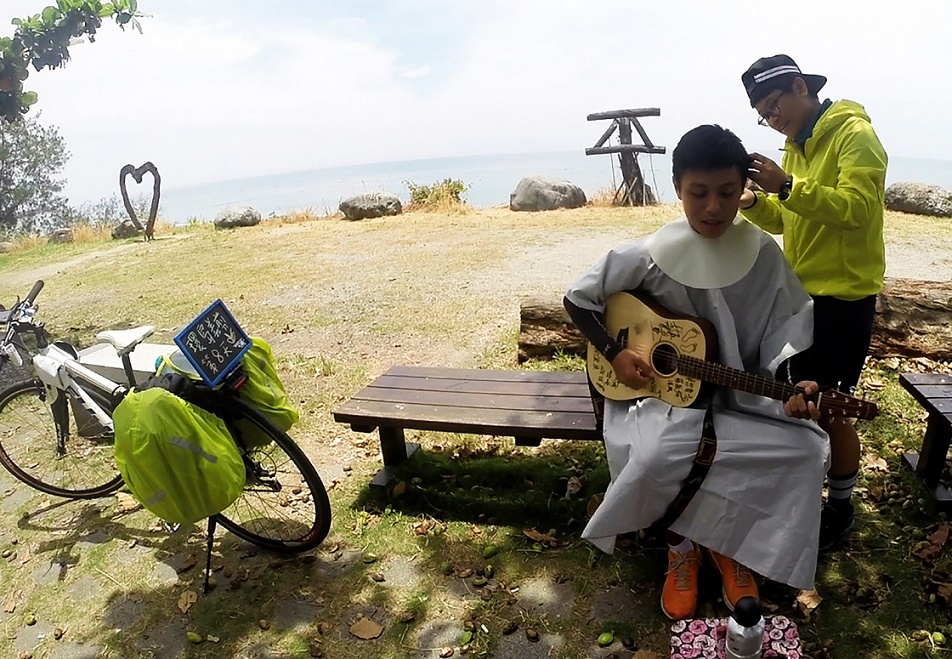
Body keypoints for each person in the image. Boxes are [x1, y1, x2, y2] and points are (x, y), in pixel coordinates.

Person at [563, 124, 829, 621]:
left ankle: (733, 544)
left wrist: (799, 380)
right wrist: (614, 352)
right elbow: (577, 300)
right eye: (698, 193)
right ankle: (683, 545)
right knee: (657, 454)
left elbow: (789, 324)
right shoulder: (648, 254)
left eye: (727, 193)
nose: (712, 208)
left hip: (740, 397)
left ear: (742, 189)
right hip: (657, 398)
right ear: (678, 188)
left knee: (805, 449)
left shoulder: (763, 255)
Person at [739, 54, 887, 551]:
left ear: (800, 87)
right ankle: (802, 494)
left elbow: (857, 209)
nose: (771, 116)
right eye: (761, 111)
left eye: (773, 103)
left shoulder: (853, 134)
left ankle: (841, 507)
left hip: (844, 301)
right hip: (803, 300)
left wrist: (785, 185)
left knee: (832, 407)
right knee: (800, 399)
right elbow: (792, 220)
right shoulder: (795, 146)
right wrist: (759, 205)